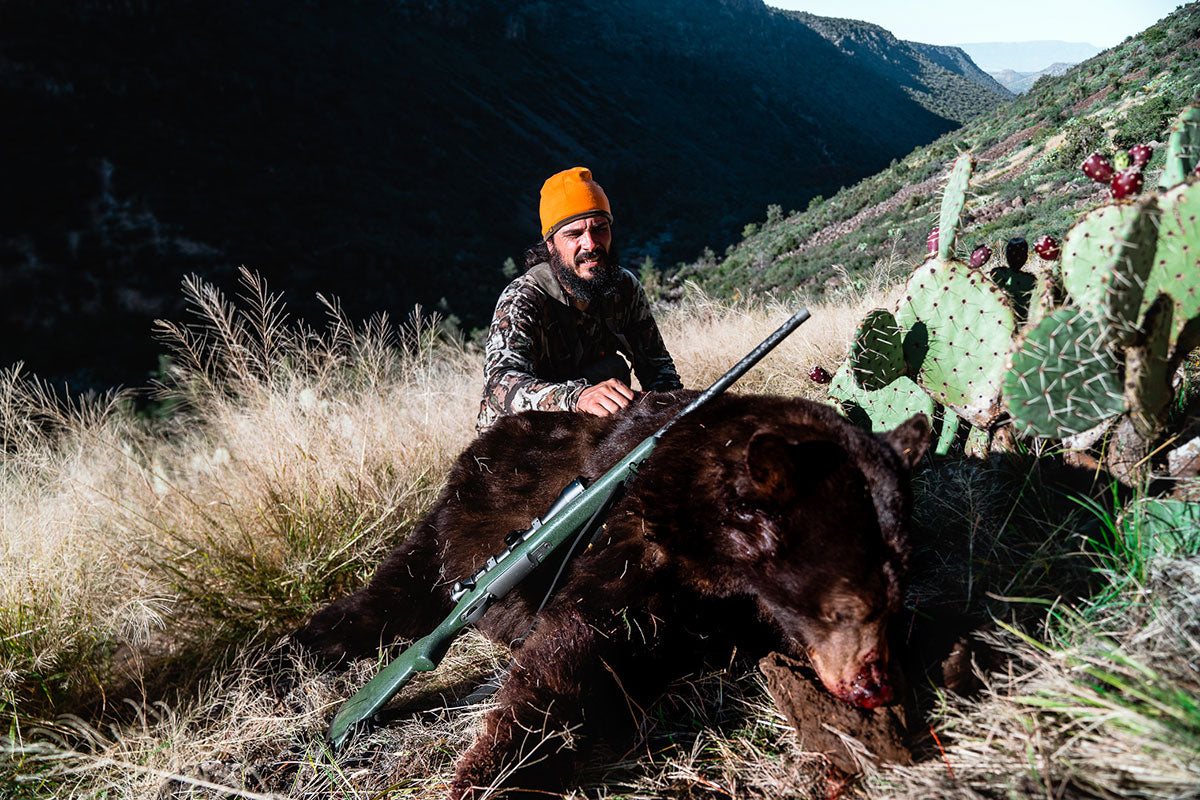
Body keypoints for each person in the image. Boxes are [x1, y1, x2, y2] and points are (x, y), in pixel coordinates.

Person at [477, 167, 682, 431]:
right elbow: (500, 385)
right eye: (574, 234)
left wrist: (675, 415)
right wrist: (578, 397)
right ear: (550, 244)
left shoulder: (623, 288)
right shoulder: (523, 300)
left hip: (588, 432)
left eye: (600, 229)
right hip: (519, 441)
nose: (591, 244)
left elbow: (657, 367)